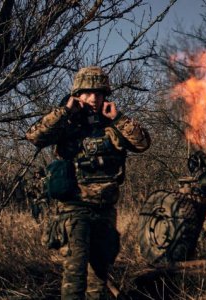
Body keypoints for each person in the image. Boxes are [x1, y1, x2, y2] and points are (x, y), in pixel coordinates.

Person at [26, 66, 151, 299]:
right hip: (75, 210)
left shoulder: (113, 125)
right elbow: (34, 136)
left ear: (106, 95)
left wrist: (119, 118)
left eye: (99, 93)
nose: (93, 98)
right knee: (74, 276)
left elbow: (143, 143)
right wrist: (64, 111)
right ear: (77, 94)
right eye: (87, 93)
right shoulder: (67, 123)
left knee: (99, 278)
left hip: (105, 210)